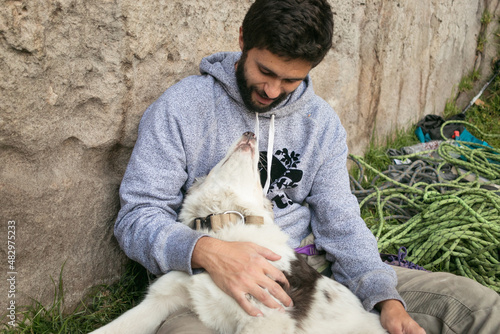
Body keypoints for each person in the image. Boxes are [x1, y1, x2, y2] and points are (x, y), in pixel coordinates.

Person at [114, 0, 500, 333]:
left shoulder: (321, 123)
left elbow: (342, 222)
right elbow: (136, 216)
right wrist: (209, 252)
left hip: (315, 277)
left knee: (480, 309)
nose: (272, 91)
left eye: (291, 80)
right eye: (265, 71)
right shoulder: (183, 108)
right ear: (242, 39)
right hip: (211, 281)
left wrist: (385, 299)